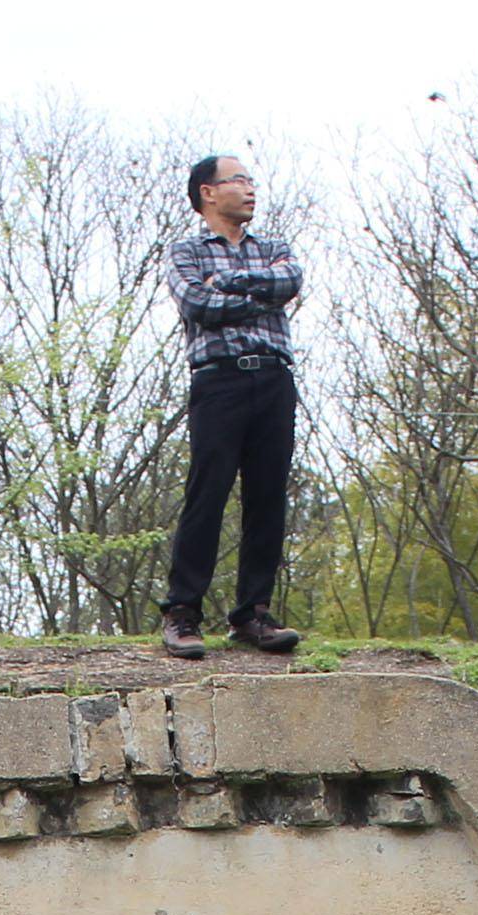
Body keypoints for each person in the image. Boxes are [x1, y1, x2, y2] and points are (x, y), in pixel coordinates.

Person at [159, 154, 302, 660]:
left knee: (268, 496)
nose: (249, 188)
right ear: (207, 193)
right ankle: (182, 614)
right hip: (218, 380)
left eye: (251, 180)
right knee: (208, 493)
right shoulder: (186, 252)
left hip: (274, 378)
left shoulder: (274, 247)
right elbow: (198, 305)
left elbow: (290, 281)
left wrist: (231, 288)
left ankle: (253, 614)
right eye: (237, 180)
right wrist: (258, 295)